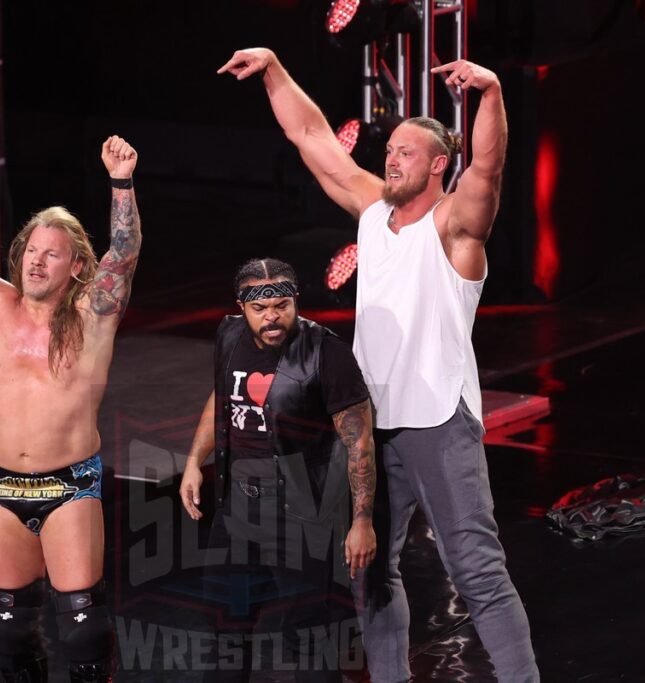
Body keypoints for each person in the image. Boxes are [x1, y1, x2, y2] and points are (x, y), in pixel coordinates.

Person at [218, 49, 539, 682]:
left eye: (406, 153)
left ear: (438, 165)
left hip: (438, 422)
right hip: (365, 426)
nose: (391, 158)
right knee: (367, 567)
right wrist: (276, 68)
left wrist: (493, 94)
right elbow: (311, 136)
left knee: (476, 571)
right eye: (389, 149)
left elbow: (490, 170)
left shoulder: (454, 227)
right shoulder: (371, 213)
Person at [0, 135, 141, 682]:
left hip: (67, 484)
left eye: (52, 253)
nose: (36, 261)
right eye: (31, 249)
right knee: (7, 628)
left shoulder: (94, 314)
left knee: (82, 628)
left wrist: (121, 182)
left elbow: (125, 252)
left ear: (75, 267)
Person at [179, 258, 376, 682]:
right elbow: (222, 398)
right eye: (260, 309)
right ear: (242, 307)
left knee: (305, 636)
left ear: (295, 302)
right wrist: (196, 460)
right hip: (236, 510)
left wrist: (361, 520)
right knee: (226, 630)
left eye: (282, 306)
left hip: (299, 514)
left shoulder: (327, 352)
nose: (272, 317)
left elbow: (358, 440)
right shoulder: (229, 335)